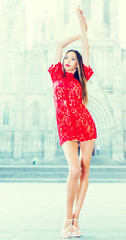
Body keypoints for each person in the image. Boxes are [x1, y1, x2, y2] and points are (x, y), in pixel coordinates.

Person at [48, 5, 97, 238]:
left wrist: (84, 33)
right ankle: (66, 219)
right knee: (74, 170)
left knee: (85, 170)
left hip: (85, 124)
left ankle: (77, 219)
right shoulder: (56, 74)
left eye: (71, 58)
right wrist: (80, 29)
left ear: (77, 64)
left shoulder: (83, 78)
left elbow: (86, 48)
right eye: (66, 57)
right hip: (66, 128)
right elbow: (59, 45)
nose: (67, 59)